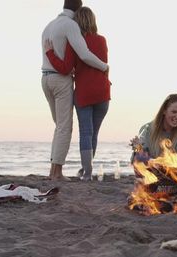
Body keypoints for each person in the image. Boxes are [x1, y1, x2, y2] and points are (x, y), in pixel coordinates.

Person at [41, 0, 109, 181]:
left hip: (46, 77)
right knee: (66, 128)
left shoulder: (50, 25)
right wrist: (104, 66)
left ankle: (54, 170)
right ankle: (58, 173)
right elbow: (84, 55)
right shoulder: (72, 27)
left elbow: (70, 62)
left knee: (61, 127)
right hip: (62, 80)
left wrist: (49, 54)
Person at [130, 93, 177, 165]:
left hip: (173, 168)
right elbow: (141, 155)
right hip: (153, 165)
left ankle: (166, 169)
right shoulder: (147, 128)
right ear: (164, 111)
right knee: (137, 156)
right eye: (174, 112)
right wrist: (137, 148)